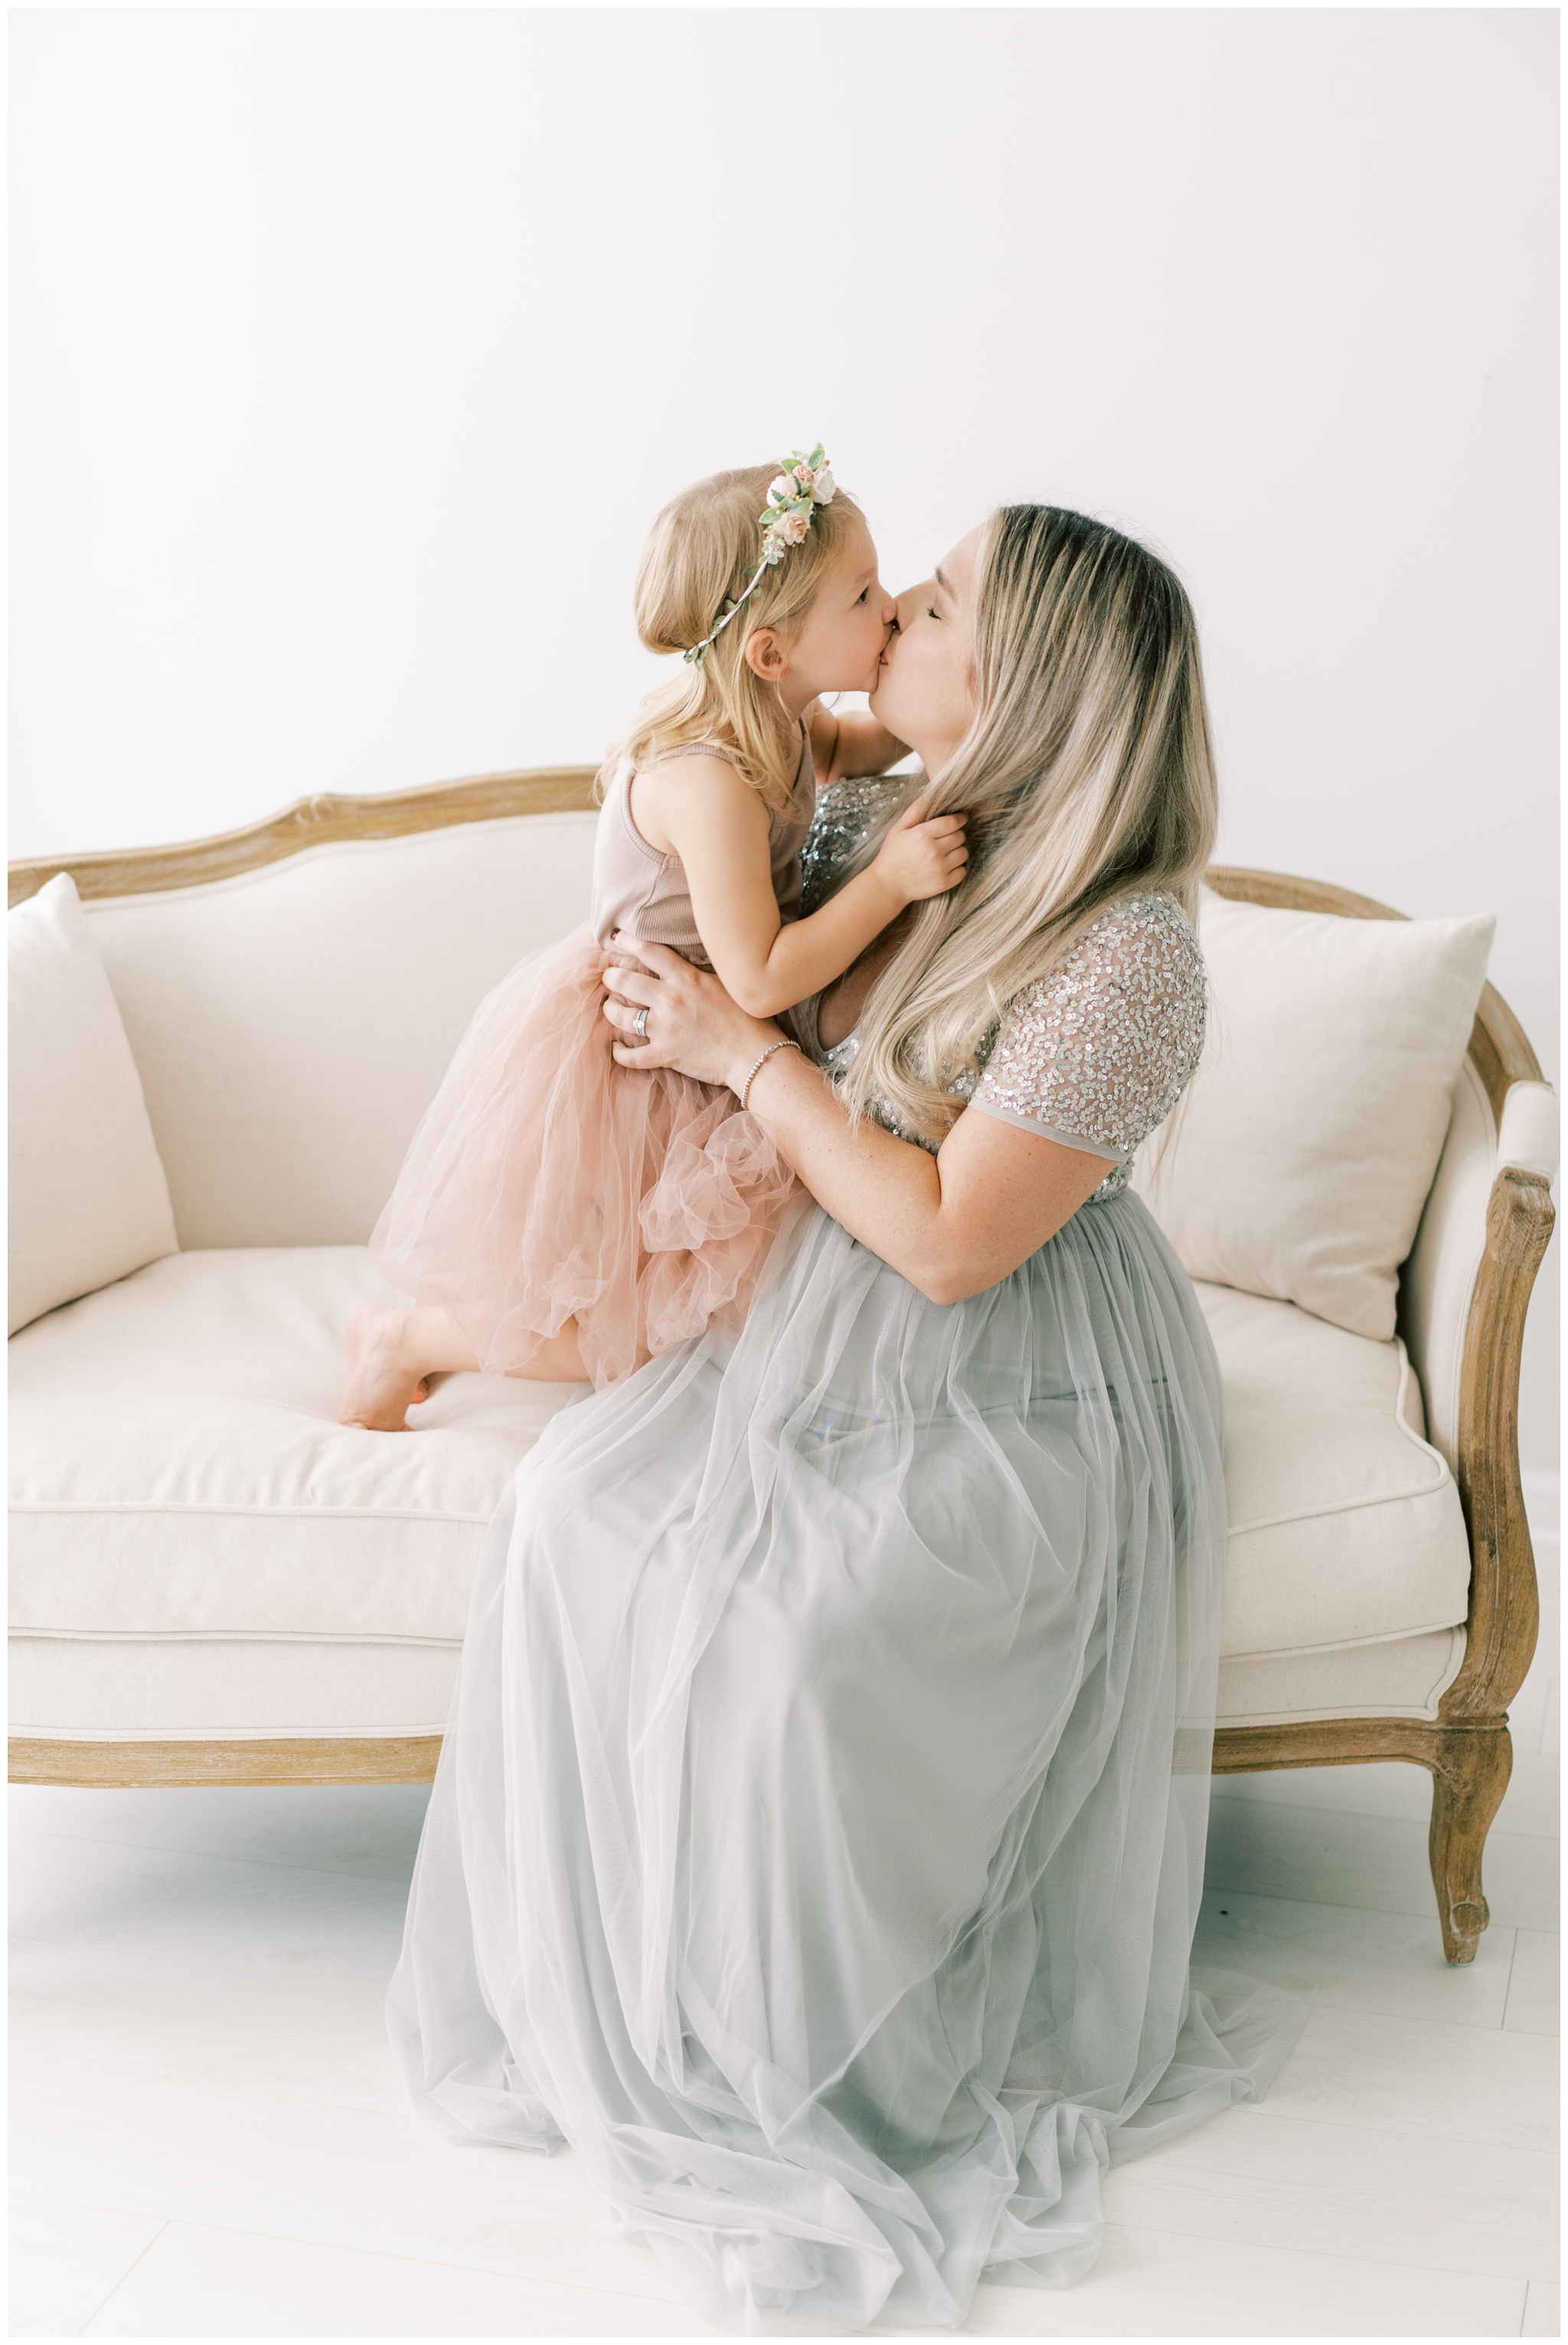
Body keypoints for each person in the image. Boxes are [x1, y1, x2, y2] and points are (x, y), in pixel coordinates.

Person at [387, 504, 1306, 2331]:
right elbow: (708, 788)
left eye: (936, 602)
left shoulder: (1130, 952)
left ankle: (827, 2040)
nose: (894, 617)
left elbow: (950, 1240)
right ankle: (655, 1996)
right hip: (828, 1311)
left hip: (1014, 1348)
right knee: (580, 1506)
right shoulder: (879, 823)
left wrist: (737, 1054)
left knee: (808, 1633)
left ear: (1017, 677)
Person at [341, 448, 968, 1426]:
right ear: (770, 652)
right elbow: (758, 979)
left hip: (705, 1037)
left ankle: (417, 1339)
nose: (888, 606)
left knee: (707, 1307)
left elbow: (861, 741)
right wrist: (889, 879)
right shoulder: (707, 778)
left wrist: (962, 690)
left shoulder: (784, 719)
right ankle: (403, 1337)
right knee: (636, 1323)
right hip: (650, 1050)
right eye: (862, 595)